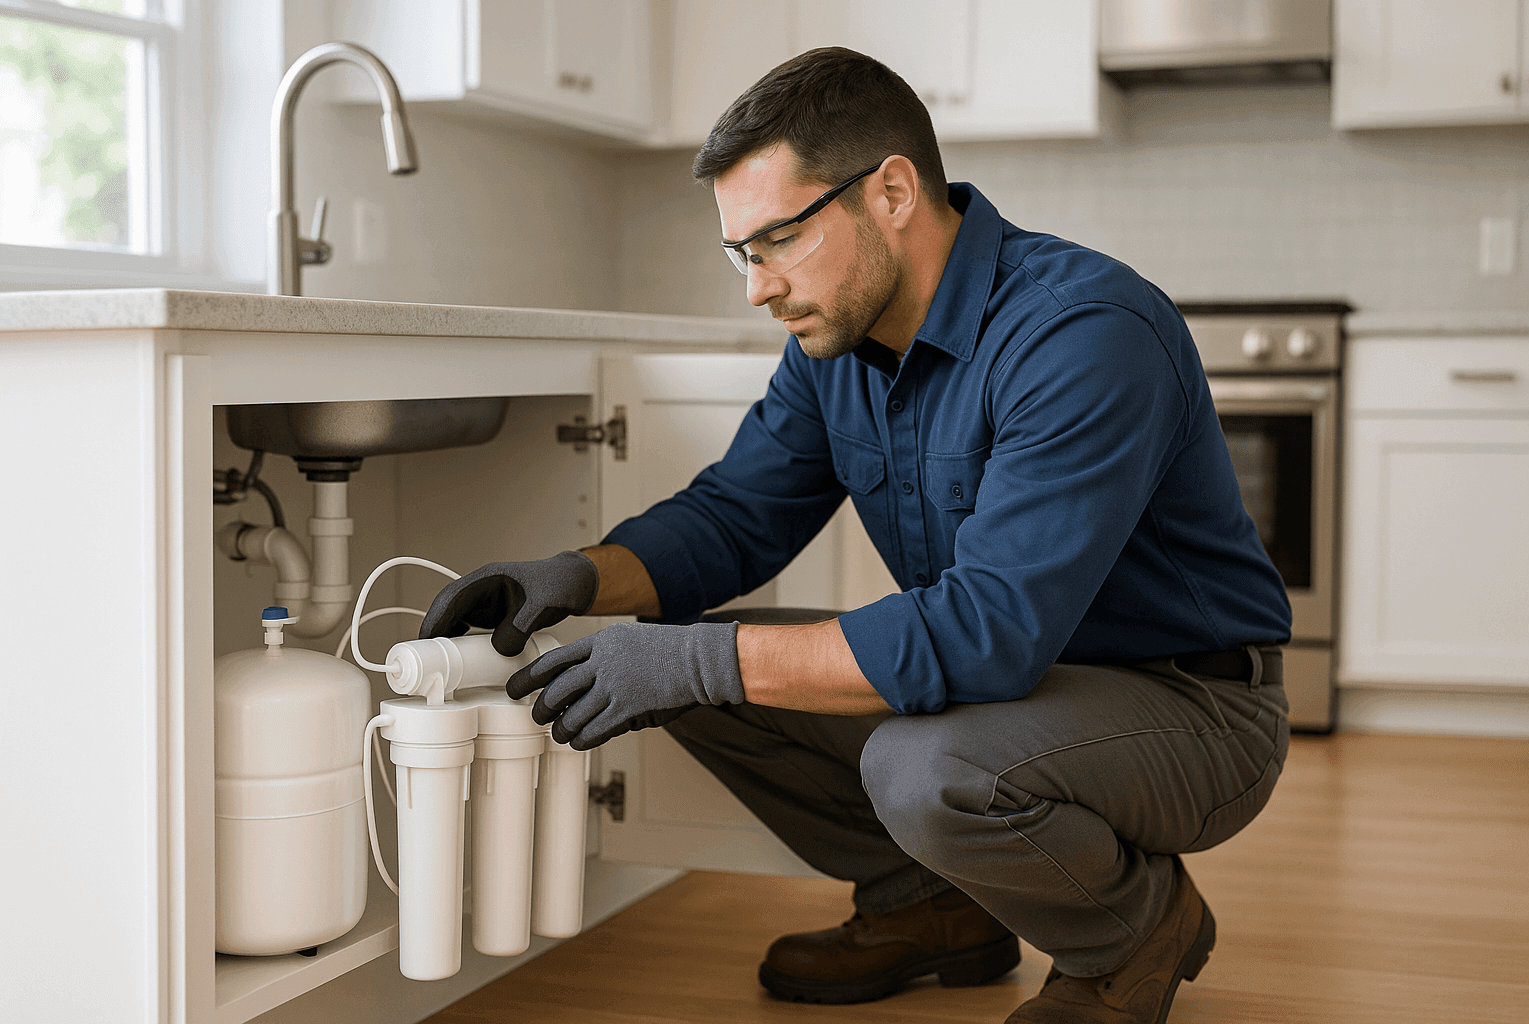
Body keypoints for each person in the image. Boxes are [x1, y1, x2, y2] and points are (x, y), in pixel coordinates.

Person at [420, 47, 1291, 1024]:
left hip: (1192, 707)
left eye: (779, 239)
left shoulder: (1082, 331)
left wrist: (694, 658)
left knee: (911, 761)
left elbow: (983, 635)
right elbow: (733, 518)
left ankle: (1131, 928)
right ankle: (933, 907)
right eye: (740, 252)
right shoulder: (836, 341)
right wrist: (573, 578)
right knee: (689, 669)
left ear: (891, 192)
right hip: (1013, 694)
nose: (758, 287)